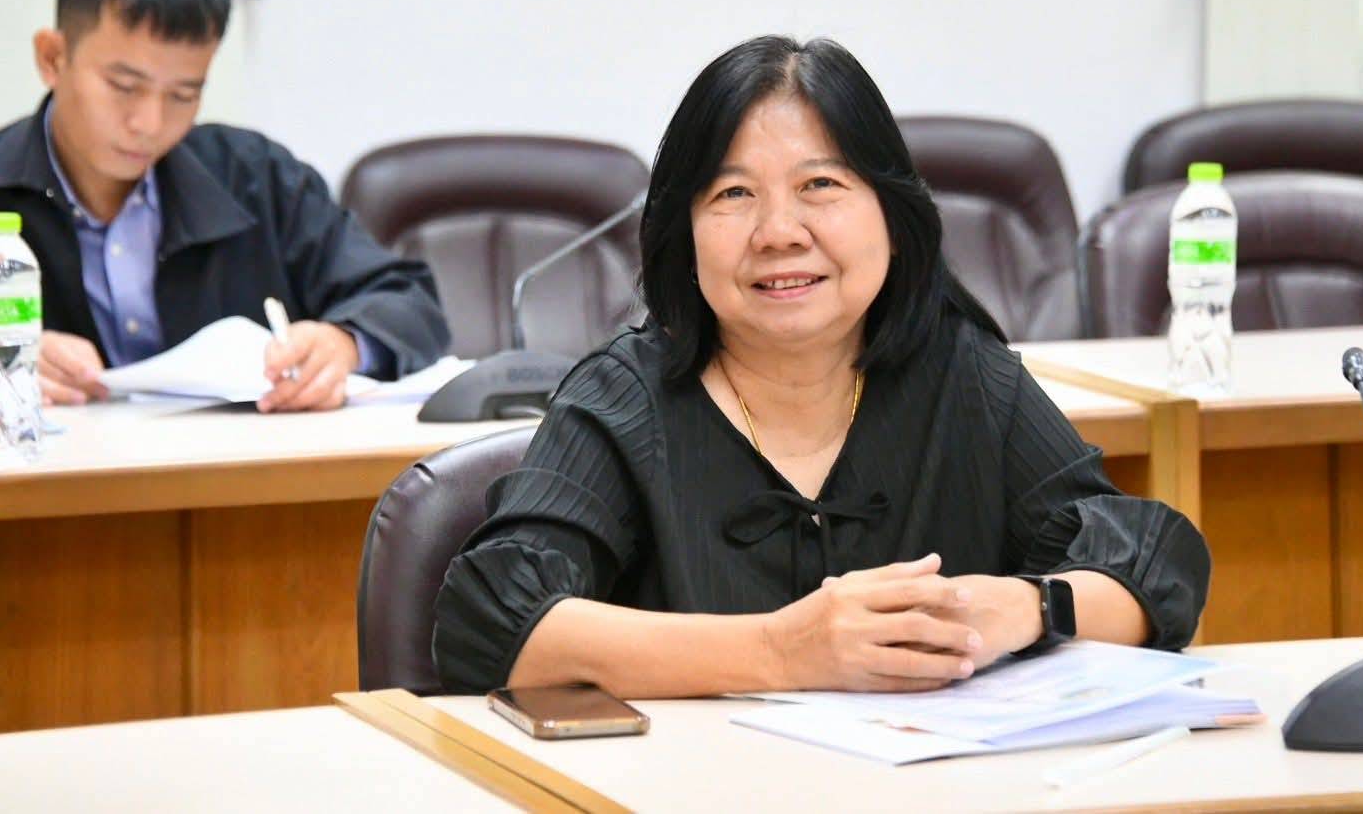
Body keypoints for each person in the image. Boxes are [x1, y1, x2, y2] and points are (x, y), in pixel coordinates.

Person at [434, 36, 1209, 696]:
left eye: (820, 185)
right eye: (733, 193)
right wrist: (781, 651)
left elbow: (1152, 561)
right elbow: (493, 622)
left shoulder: (962, 377)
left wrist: (1030, 607)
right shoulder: (624, 400)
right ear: (684, 233)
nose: (779, 231)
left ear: (893, 217)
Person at [0, 0, 449, 410]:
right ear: (53, 58)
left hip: (238, 483)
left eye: (183, 94)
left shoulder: (256, 176)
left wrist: (345, 343)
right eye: (124, 86)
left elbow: (408, 302)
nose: (150, 123)